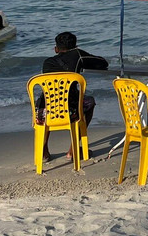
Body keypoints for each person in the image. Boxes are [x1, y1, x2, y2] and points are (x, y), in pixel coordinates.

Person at [35, 32, 109, 162]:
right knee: (89, 102)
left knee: (47, 101)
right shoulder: (78, 55)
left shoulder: (47, 62)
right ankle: (72, 151)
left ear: (56, 49)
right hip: (69, 111)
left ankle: (44, 151)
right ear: (75, 46)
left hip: (44, 112)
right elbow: (102, 63)